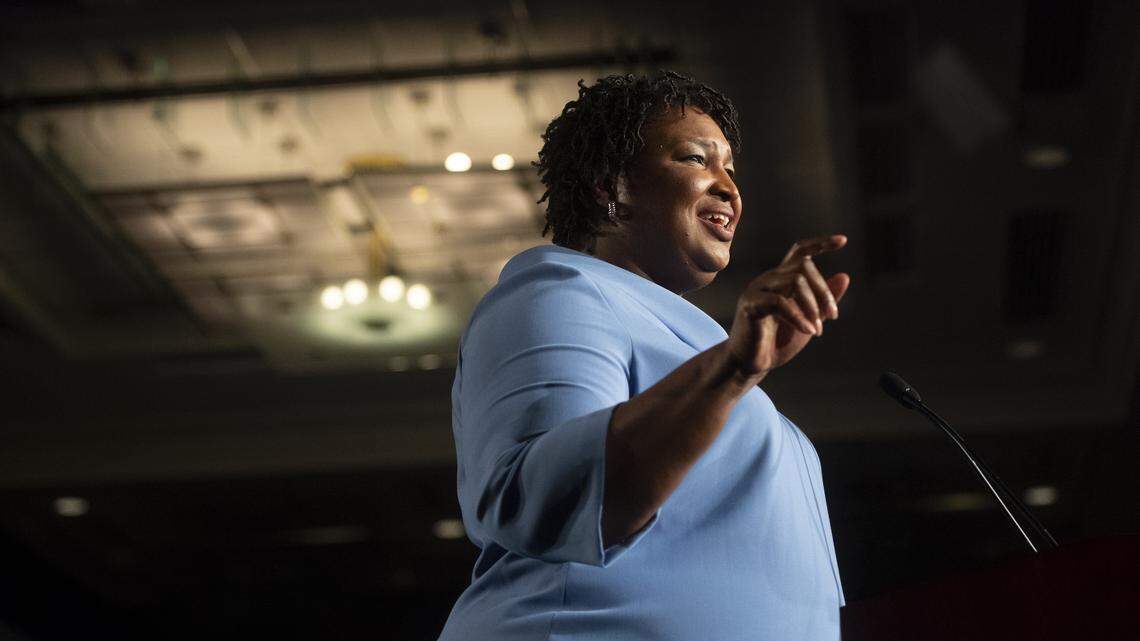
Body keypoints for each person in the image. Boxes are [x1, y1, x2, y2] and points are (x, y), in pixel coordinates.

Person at [437, 71, 850, 641]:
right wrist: (732, 370)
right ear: (611, 188)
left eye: (729, 167)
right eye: (694, 159)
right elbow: (537, 497)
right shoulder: (560, 289)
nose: (728, 186)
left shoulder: (688, 342)